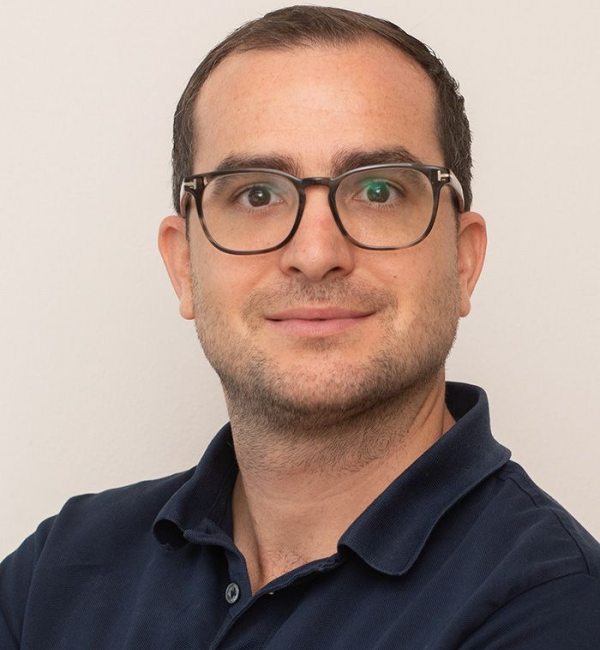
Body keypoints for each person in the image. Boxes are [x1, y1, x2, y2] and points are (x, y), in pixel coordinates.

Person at [1, 5, 599, 648]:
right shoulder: (53, 574)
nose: (315, 254)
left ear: (463, 261)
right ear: (183, 266)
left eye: (378, 191)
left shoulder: (556, 605)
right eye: (256, 194)